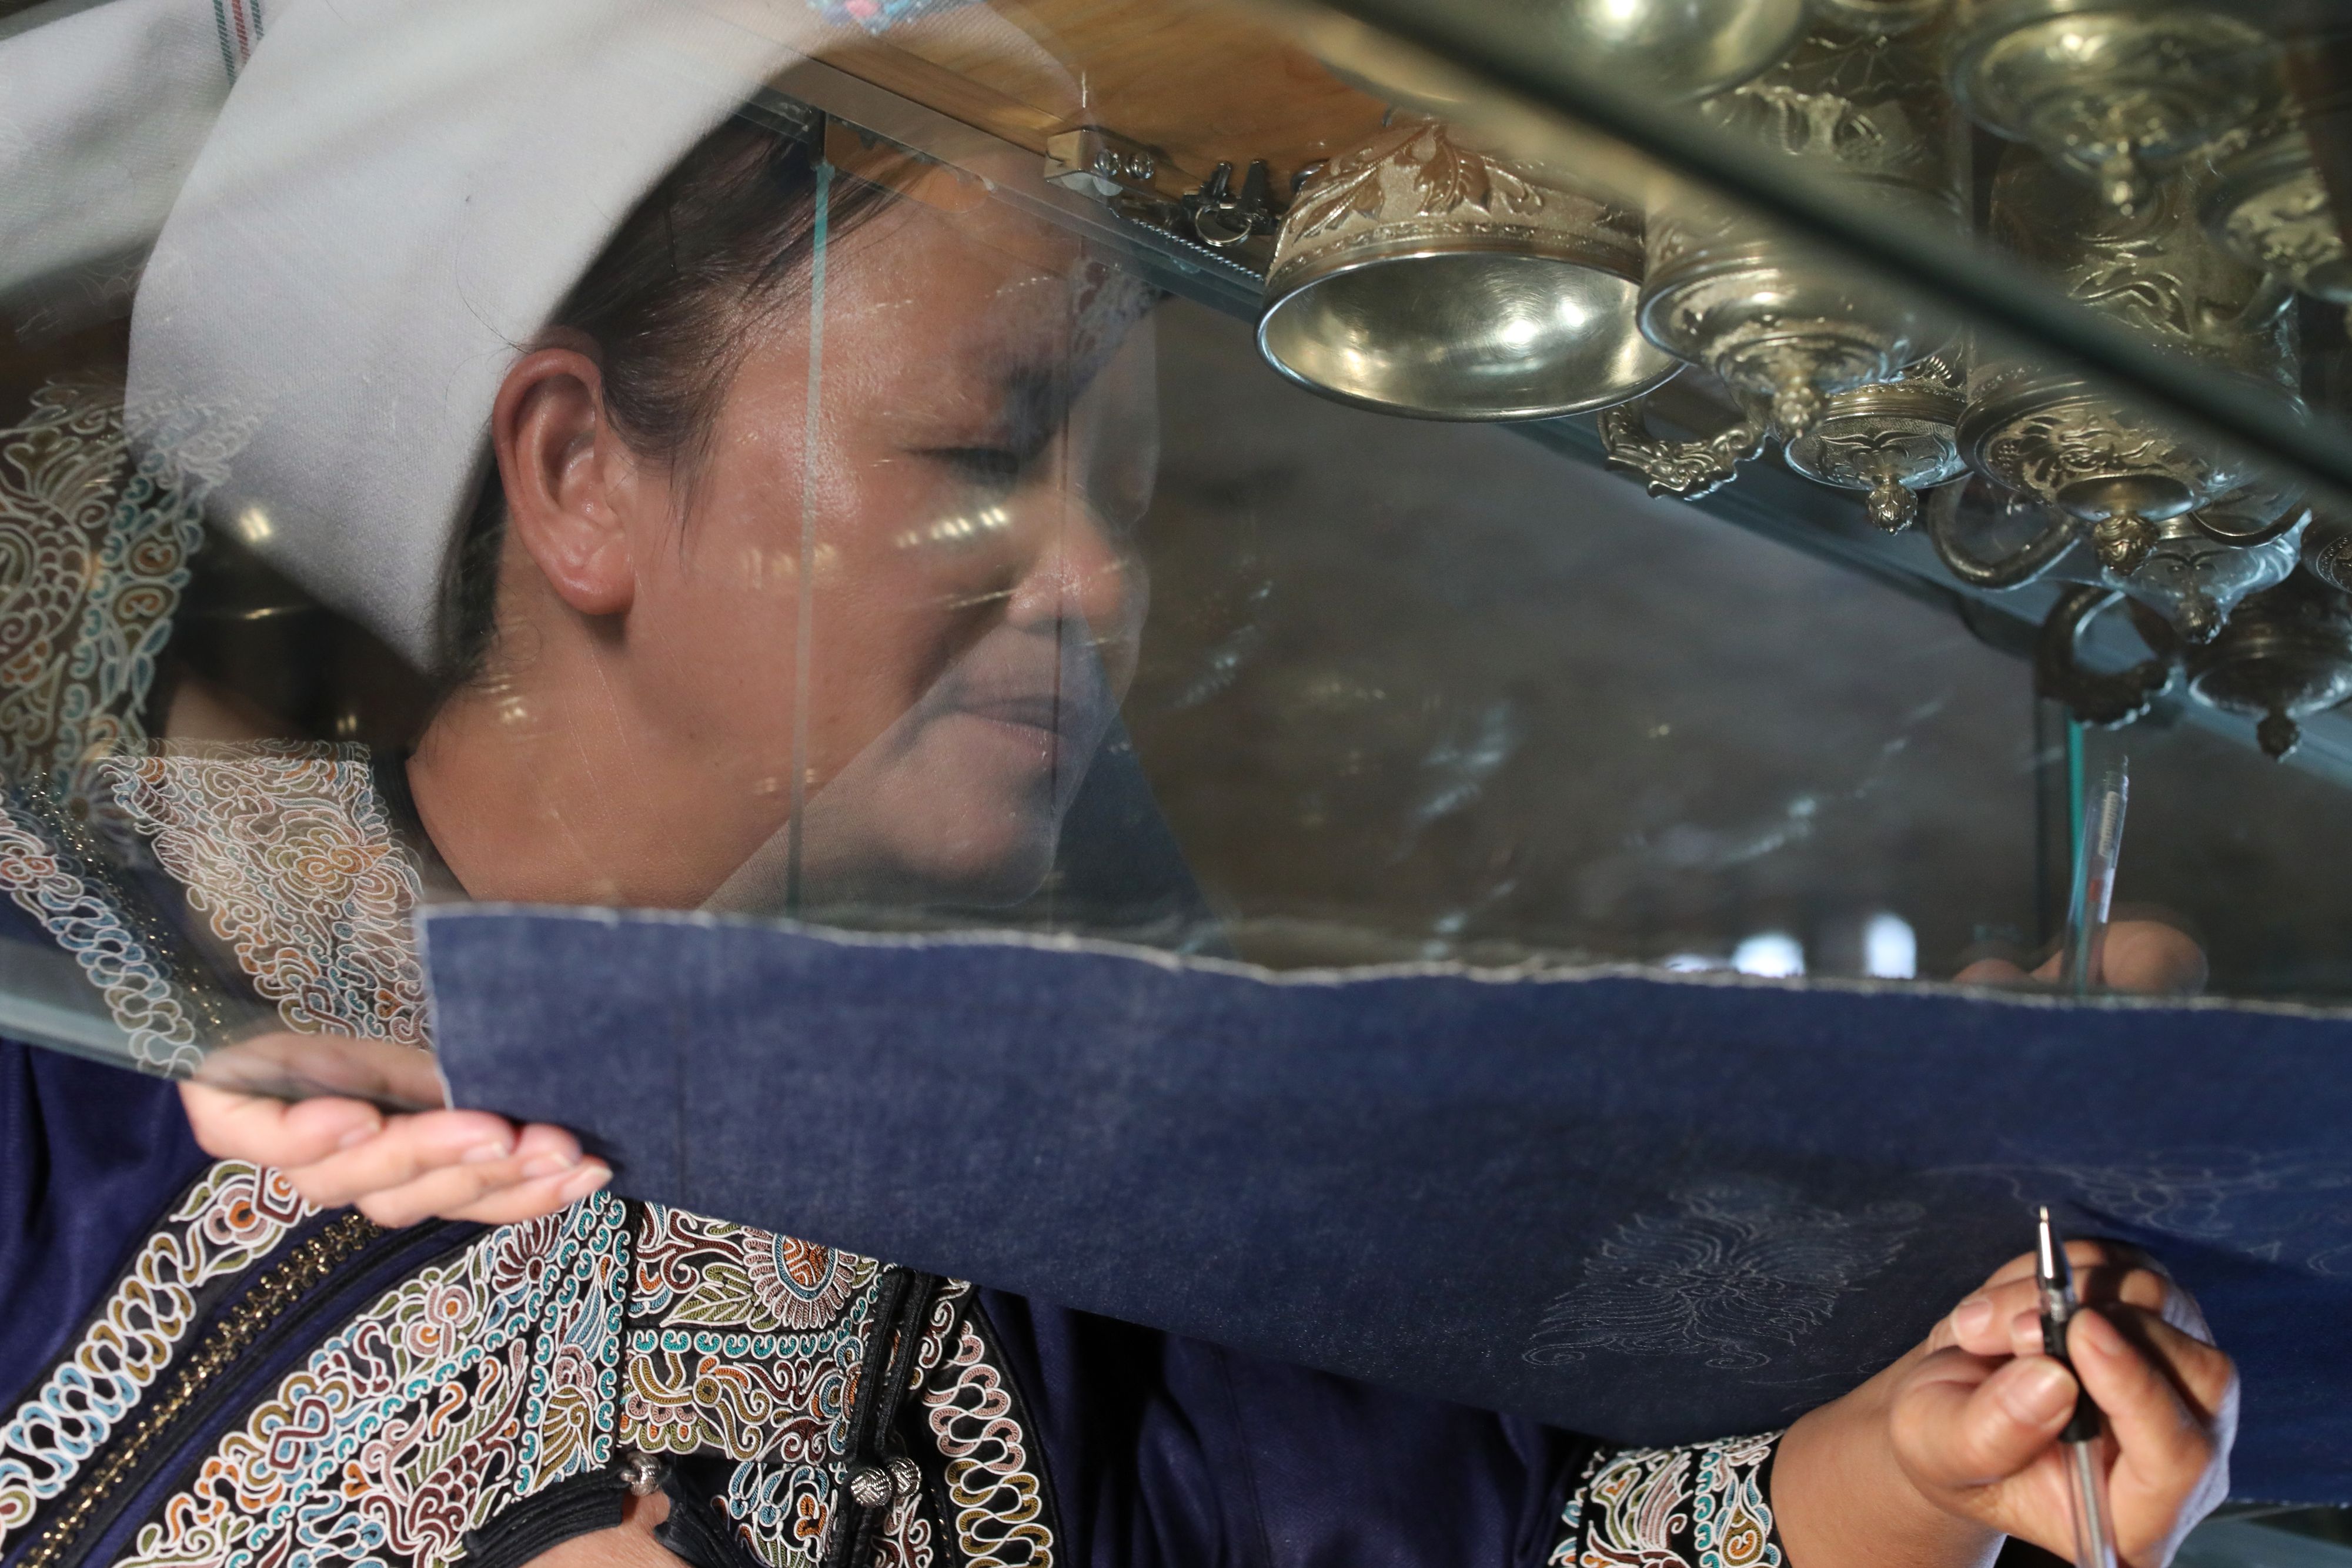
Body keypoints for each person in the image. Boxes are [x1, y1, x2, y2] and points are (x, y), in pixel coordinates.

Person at [0, 2, 2227, 1567]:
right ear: (583, 471)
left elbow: (1523, 1533)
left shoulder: (1057, 1180)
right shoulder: (87, 1041)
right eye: (974, 456)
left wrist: (1923, 1468)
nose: (1093, 579)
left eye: (1129, 495)